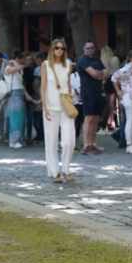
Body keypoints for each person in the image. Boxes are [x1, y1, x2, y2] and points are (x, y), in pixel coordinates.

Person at [41, 38, 77, 183]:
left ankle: (66, 169)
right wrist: (44, 106)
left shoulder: (68, 64)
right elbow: (43, 87)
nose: (59, 51)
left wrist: (71, 97)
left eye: (62, 48)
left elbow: (68, 84)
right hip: (51, 106)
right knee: (51, 141)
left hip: (65, 106)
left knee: (69, 141)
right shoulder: (45, 65)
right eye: (57, 48)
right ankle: (55, 171)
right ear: (52, 49)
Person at [112, 49, 132, 153]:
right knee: (131, 120)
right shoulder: (127, 68)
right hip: (129, 97)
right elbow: (114, 77)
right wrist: (118, 91)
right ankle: (129, 144)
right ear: (131, 58)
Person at [75, 42, 106, 154]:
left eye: (92, 48)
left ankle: (93, 144)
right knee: (88, 119)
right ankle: (86, 145)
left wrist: (98, 74)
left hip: (98, 92)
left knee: (96, 119)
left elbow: (104, 74)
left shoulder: (97, 60)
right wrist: (98, 73)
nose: (90, 49)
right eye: (87, 48)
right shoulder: (82, 60)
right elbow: (95, 74)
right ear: (84, 49)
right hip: (88, 93)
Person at [4, 53, 28, 149]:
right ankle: (14, 140)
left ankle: (19, 139)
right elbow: (15, 69)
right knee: (15, 118)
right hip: (14, 94)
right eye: (22, 59)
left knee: (20, 118)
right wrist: (14, 62)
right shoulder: (9, 67)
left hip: (19, 93)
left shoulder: (18, 68)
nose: (23, 61)